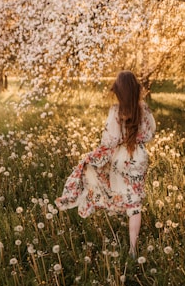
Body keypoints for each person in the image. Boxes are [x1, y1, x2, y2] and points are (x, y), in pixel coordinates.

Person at [55, 71, 156, 257]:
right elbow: (150, 134)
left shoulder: (116, 111)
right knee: (135, 202)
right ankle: (133, 249)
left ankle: (116, 210)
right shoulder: (145, 109)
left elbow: (110, 140)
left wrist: (93, 156)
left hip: (120, 158)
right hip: (139, 157)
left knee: (115, 189)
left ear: (118, 91)